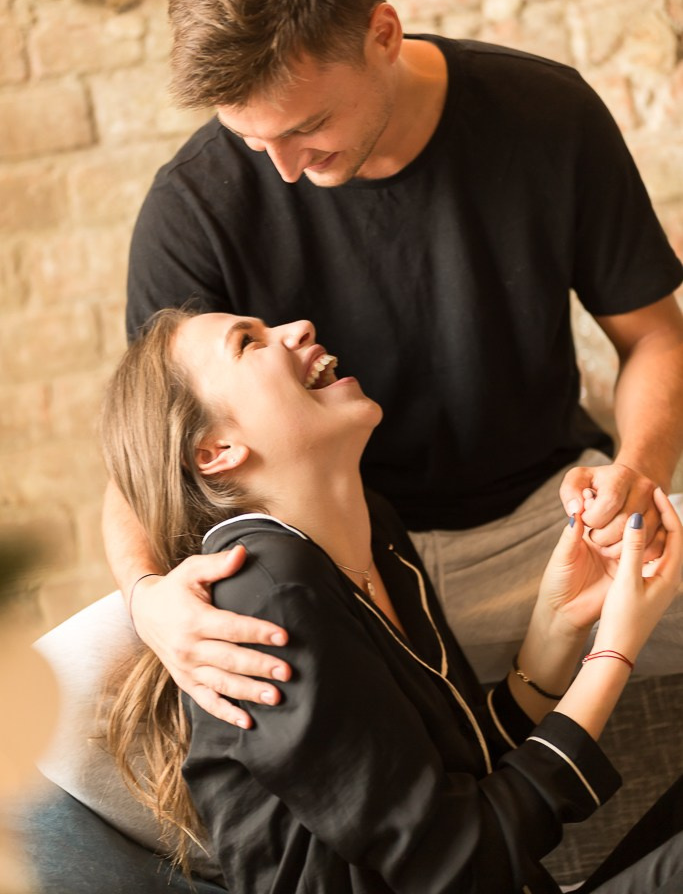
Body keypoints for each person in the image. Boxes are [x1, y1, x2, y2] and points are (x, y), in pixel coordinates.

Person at [105, 0, 683, 730]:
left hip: (544, 524)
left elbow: (652, 334)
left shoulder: (546, 115)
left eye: (307, 128)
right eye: (252, 141)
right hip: (329, 576)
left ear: (382, 33)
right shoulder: (193, 204)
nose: (285, 171)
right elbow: (146, 455)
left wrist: (638, 473)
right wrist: (147, 597)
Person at [99, 306, 683, 894]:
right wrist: (615, 647)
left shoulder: (372, 532)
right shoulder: (263, 596)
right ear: (216, 449)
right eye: (247, 343)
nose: (298, 327)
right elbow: (459, 864)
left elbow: (467, 771)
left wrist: (563, 618)